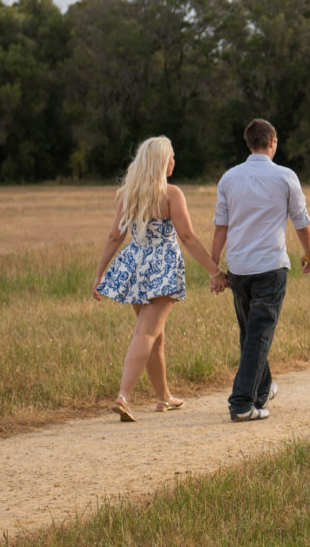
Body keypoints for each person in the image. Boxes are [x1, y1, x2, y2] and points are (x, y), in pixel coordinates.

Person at [92, 135, 225, 422]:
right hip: (162, 266)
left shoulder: (131, 194)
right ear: (160, 162)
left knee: (154, 334)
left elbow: (115, 235)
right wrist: (215, 271)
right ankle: (123, 396)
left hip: (135, 265)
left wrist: (100, 273)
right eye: (171, 158)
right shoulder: (171, 194)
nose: (174, 162)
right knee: (147, 333)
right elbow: (187, 236)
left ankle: (163, 396)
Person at [211, 118, 310, 422]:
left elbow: (220, 229)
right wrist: (309, 255)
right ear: (273, 142)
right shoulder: (285, 176)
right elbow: (301, 221)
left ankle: (263, 387)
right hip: (270, 266)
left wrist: (215, 269)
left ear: (248, 143)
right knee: (257, 335)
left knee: (250, 334)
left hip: (239, 268)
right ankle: (242, 403)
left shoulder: (229, 178)